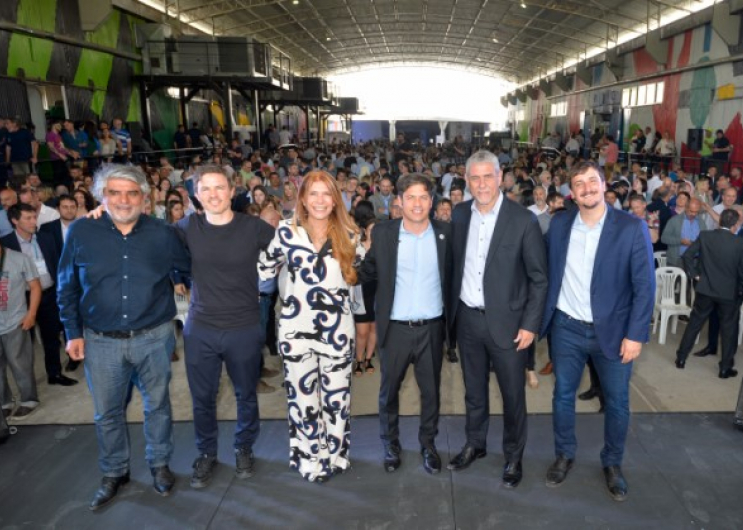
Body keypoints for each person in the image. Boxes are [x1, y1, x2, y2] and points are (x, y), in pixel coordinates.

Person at [58, 165, 191, 510]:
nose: (123, 200)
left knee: (157, 405)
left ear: (145, 198)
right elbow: (66, 285)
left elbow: (192, 267)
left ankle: (159, 464)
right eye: (114, 193)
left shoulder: (164, 233)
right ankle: (114, 471)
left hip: (154, 336)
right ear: (102, 196)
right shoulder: (82, 232)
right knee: (107, 413)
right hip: (100, 341)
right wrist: (73, 332)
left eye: (132, 192)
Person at [540, 160, 655, 502]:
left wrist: (635, 335)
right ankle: (564, 454)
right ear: (571, 193)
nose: (587, 188)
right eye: (579, 183)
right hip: (566, 329)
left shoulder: (631, 227)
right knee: (563, 395)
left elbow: (644, 286)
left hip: (616, 333)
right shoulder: (559, 225)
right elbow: (544, 271)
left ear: (603, 185)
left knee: (617, 403)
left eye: (592, 181)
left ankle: (613, 463)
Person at [447, 151, 548, 489]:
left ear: (500, 175)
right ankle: (475, 444)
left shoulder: (522, 220)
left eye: (487, 176)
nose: (481, 184)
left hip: (510, 326)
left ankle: (513, 456)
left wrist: (530, 325)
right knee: (473, 391)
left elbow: (539, 278)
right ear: (466, 180)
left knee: (512, 396)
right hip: (468, 321)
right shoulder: (460, 215)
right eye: (474, 178)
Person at [173, 165, 275, 489]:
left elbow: (291, 246)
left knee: (246, 393)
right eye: (206, 189)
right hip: (200, 327)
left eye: (220, 188)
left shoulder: (253, 227)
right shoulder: (186, 227)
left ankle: (243, 447)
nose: (214, 195)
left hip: (244, 326)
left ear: (232, 191)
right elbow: (145, 239)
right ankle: (206, 453)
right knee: (202, 397)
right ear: (197, 195)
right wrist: (102, 217)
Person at [258, 170, 358, 483]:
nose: (319, 200)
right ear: (302, 198)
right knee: (302, 400)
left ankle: (336, 456)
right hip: (295, 330)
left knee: (336, 399)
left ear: (335, 199)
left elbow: (358, 278)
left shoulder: (350, 233)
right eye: (313, 193)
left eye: (326, 194)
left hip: (338, 331)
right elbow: (263, 269)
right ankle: (309, 459)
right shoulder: (286, 233)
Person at [358, 173, 453, 475]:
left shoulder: (446, 234)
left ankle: (428, 444)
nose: (417, 203)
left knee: (431, 392)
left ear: (432, 201)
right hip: (394, 329)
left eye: (423, 197)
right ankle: (391, 443)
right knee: (389, 392)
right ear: (398, 201)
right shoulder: (385, 234)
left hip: (431, 329)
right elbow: (368, 271)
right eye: (410, 197)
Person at [2, 203, 77, 386]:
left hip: (49, 294)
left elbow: (58, 264)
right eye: (27, 218)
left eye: (34, 217)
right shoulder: (6, 244)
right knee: (23, 344)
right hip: (22, 299)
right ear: (14, 221)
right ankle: (26, 385)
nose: (33, 221)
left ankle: (54, 374)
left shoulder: (46, 238)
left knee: (51, 336)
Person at [674, 209, 743, 378]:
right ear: (735, 225)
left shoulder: (705, 236)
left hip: (705, 289)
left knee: (694, 324)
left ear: (719, 222)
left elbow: (687, 256)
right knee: (729, 330)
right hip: (729, 293)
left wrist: (695, 275)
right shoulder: (739, 243)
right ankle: (725, 368)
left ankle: (681, 359)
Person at [0, 240, 41, 420]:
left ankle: (29, 400)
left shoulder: (19, 259)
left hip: (16, 321)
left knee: (20, 363)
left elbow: (35, 287)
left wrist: (31, 314)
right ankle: (4, 403)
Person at [352, 201, 377, 376]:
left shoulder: (381, 248)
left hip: (378, 292)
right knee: (362, 331)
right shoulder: (357, 247)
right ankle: (358, 360)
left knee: (374, 329)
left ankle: (368, 359)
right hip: (360, 292)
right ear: (365, 230)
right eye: (371, 229)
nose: (374, 232)